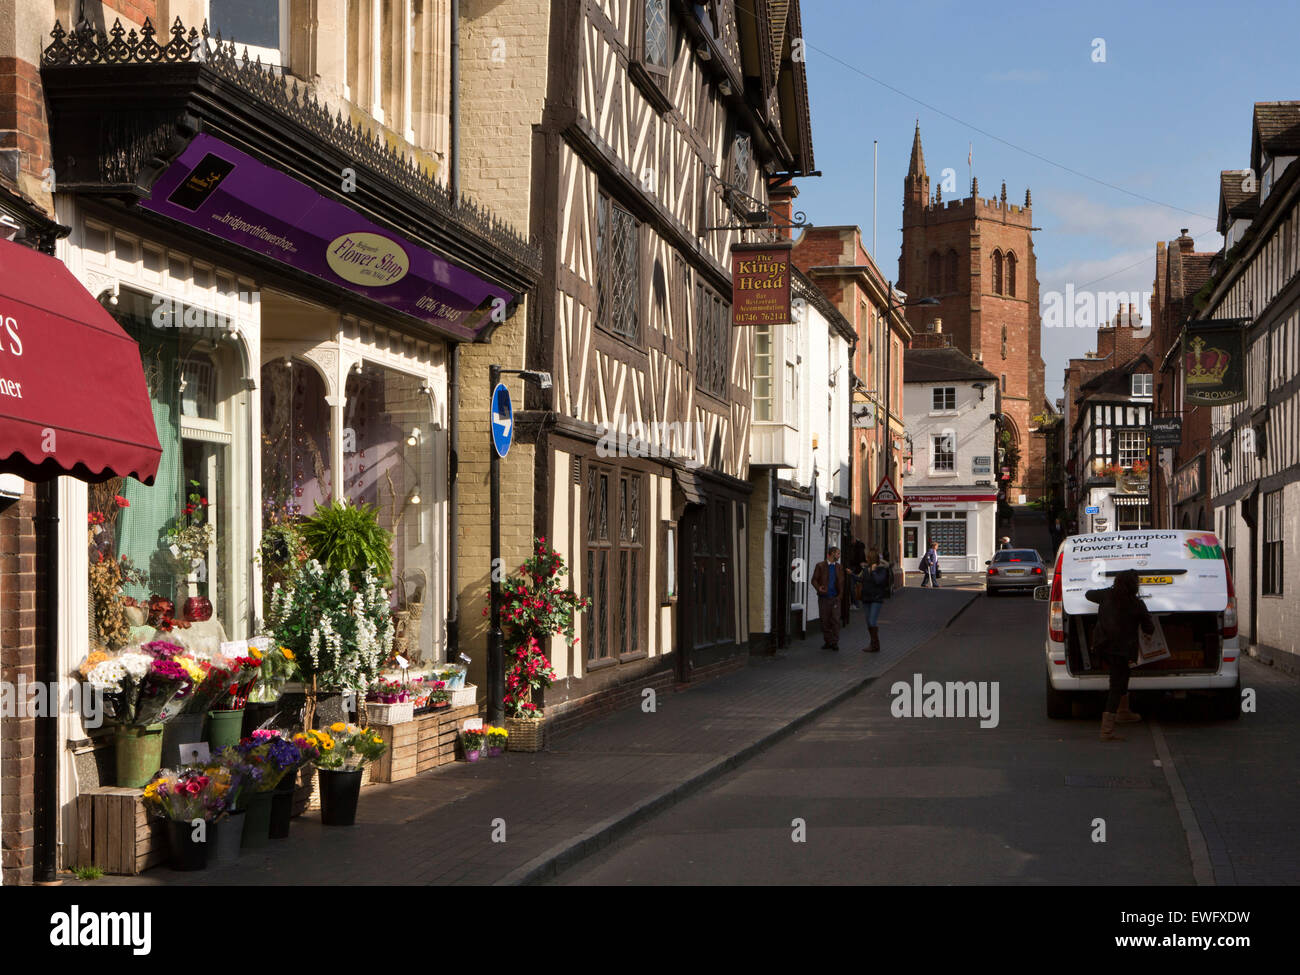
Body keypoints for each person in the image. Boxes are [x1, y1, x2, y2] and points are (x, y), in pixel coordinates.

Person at [1085, 569, 1153, 742]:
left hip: (1103, 646)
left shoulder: (1107, 595)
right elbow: (1149, 628)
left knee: (1123, 676)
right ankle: (1107, 730)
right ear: (1135, 585)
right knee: (1116, 685)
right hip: (1122, 650)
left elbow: (1088, 594)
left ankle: (1124, 712)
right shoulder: (1137, 604)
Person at [811, 546, 849, 650]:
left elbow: (842, 582)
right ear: (832, 553)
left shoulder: (839, 567)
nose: (839, 555)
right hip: (824, 598)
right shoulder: (820, 566)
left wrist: (840, 596)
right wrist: (819, 588)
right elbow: (814, 580)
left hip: (835, 598)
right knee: (825, 621)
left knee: (836, 620)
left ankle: (834, 642)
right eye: (838, 553)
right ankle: (828, 641)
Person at [859, 547, 892, 652]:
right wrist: (851, 575)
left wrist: (873, 571)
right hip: (866, 598)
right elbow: (861, 580)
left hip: (876, 599)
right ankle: (873, 644)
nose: (866, 558)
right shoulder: (865, 569)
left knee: (872, 621)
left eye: (868, 557)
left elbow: (878, 581)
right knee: (868, 622)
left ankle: (875, 645)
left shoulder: (881, 569)